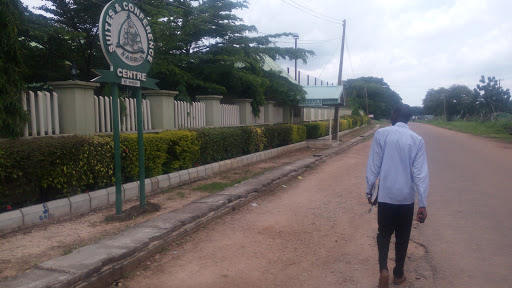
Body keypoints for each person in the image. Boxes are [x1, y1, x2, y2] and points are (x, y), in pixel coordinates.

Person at [366, 104, 429, 288]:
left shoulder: (382, 134)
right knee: (403, 236)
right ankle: (398, 274)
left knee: (384, 234)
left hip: (386, 196)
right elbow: (420, 174)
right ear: (408, 118)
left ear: (394, 115)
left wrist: (369, 190)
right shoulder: (417, 140)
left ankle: (383, 269)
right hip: (406, 198)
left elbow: (373, 165)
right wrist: (423, 204)